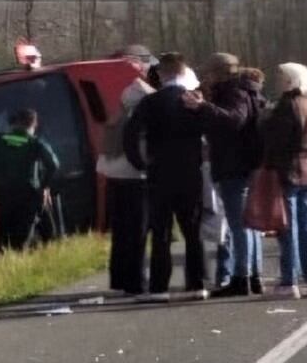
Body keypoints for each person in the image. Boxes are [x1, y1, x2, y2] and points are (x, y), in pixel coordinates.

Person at [123, 52, 212, 301]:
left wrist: (139, 163)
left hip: (159, 173)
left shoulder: (151, 102)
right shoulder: (193, 101)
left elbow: (130, 135)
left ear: (161, 75)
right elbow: (210, 129)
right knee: (192, 230)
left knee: (161, 232)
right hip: (190, 172)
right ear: (184, 73)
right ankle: (197, 284)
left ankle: (159, 287)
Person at [189, 52, 266, 297]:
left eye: (209, 72)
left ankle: (241, 277)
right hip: (244, 164)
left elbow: (234, 120)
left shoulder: (233, 92)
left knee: (239, 225)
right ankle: (252, 275)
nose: (206, 77)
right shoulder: (246, 90)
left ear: (219, 73)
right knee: (248, 225)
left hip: (234, 165)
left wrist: (203, 107)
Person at [261, 62, 307, 299]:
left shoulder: (287, 105)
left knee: (287, 227)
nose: (278, 82)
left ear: (290, 80)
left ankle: (289, 280)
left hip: (289, 169)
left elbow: (277, 139)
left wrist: (265, 120)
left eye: (281, 78)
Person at [96, 77, 154, 295]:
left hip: (114, 182)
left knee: (120, 234)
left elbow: (101, 161)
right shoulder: (141, 123)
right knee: (138, 233)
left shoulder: (114, 122)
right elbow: (143, 154)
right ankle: (137, 280)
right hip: (137, 182)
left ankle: (119, 278)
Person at [0, 108, 60, 251]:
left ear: (16, 122)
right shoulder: (35, 143)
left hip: (5, 195)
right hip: (30, 195)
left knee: (4, 236)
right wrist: (45, 187)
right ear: (33, 124)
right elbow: (53, 165)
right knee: (37, 235)